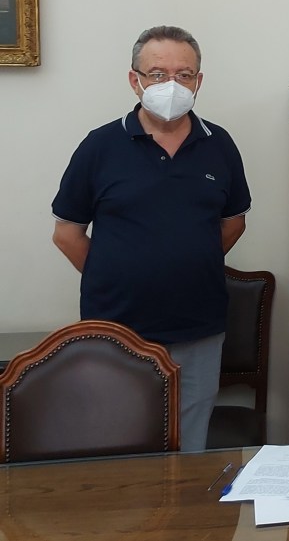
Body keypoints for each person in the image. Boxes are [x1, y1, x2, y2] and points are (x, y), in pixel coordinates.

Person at [52, 26, 251, 451]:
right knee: (116, 440)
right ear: (135, 80)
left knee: (190, 443)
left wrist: (188, 262)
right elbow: (67, 233)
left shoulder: (219, 144)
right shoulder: (99, 146)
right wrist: (116, 272)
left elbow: (233, 223)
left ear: (198, 81)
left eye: (184, 74)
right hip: (116, 326)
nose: (171, 85)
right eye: (158, 74)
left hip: (198, 325)